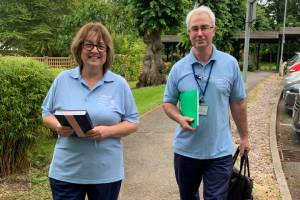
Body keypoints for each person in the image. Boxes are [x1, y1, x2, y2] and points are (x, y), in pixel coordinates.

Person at [42, 22, 139, 200]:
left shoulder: (119, 84)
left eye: (101, 46)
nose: (95, 50)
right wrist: (57, 126)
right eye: (89, 44)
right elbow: (46, 113)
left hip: (106, 173)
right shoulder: (62, 80)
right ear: (79, 48)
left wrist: (108, 131)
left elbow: (133, 122)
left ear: (107, 52)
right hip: (66, 172)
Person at [163, 6, 250, 200]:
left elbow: (238, 104)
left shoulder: (230, 64)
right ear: (189, 33)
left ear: (213, 30)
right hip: (186, 151)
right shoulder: (178, 69)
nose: (200, 33)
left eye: (204, 27)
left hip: (219, 152)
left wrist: (244, 137)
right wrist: (178, 117)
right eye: (195, 29)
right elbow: (167, 103)